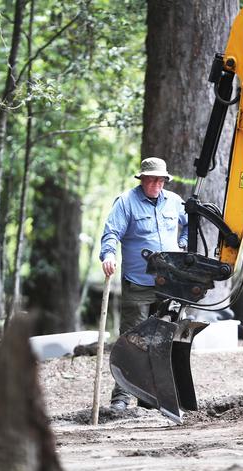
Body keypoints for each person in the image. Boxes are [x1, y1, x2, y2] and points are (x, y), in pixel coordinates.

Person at [100, 157, 188, 411]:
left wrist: (182, 243)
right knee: (133, 340)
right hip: (138, 283)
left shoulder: (174, 202)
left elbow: (190, 223)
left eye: (161, 180)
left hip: (169, 284)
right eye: (152, 179)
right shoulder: (126, 202)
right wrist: (108, 254)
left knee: (165, 339)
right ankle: (121, 397)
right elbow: (111, 233)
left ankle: (156, 397)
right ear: (142, 179)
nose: (157, 184)